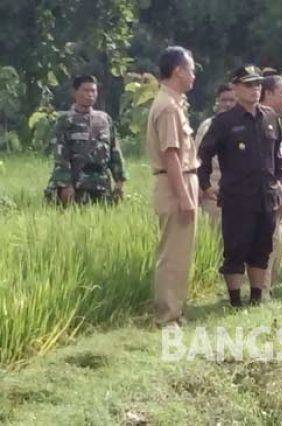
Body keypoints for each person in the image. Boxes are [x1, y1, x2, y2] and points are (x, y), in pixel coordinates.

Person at [198, 65, 282, 307]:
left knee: (262, 249)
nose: (255, 89)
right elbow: (203, 155)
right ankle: (235, 300)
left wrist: (278, 180)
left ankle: (257, 297)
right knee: (236, 249)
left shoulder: (270, 117)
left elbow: (278, 153)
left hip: (265, 195)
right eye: (248, 84)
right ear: (236, 88)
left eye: (258, 84)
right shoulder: (225, 121)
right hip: (237, 197)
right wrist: (205, 185)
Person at [146, 46, 198, 327]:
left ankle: (175, 312)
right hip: (174, 184)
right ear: (178, 70)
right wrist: (185, 197)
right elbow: (171, 155)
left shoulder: (175, 104)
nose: (193, 76)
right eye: (190, 69)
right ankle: (167, 317)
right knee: (173, 255)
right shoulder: (167, 107)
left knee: (181, 253)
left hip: (181, 180)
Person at [44, 75, 127, 205]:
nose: (90, 95)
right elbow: (61, 155)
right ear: (75, 92)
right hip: (75, 186)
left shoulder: (104, 120)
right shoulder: (65, 121)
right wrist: (65, 185)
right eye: (85, 90)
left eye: (93, 91)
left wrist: (120, 180)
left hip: (100, 186)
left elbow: (114, 151)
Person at [260, 74, 282, 287]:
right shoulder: (260, 120)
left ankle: (267, 288)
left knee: (277, 241)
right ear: (268, 93)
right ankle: (259, 290)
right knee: (267, 241)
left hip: (280, 188)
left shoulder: (274, 120)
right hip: (268, 191)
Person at [194, 83, 237, 226]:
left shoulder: (244, 126)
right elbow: (197, 159)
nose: (228, 104)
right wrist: (201, 187)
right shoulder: (207, 126)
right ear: (217, 102)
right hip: (213, 192)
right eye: (224, 100)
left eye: (232, 100)